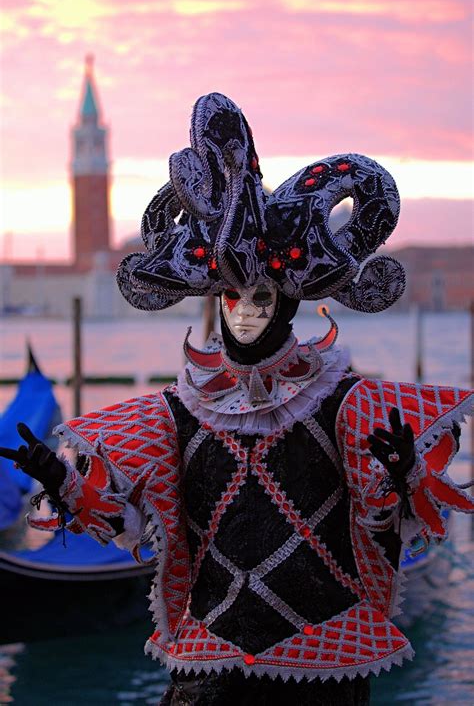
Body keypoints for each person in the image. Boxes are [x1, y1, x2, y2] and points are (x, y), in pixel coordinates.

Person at [1, 93, 472, 706]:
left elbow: (383, 522)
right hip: (209, 667)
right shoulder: (177, 414)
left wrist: (403, 474)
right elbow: (145, 527)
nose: (247, 312)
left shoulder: (341, 405)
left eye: (263, 301)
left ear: (287, 307)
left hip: (319, 664)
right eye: (234, 300)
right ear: (216, 303)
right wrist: (61, 484)